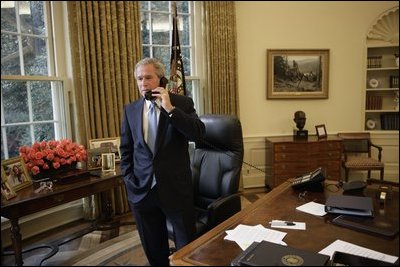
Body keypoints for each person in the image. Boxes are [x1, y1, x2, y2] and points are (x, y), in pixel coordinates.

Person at [120, 57, 205, 266]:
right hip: (142, 191)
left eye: (148, 77)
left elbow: (198, 134)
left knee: (187, 250)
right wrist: (130, 180)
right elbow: (126, 150)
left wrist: (170, 109)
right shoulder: (130, 110)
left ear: (161, 79)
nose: (143, 83)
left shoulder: (181, 103)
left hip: (176, 189)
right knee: (153, 249)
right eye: (139, 78)